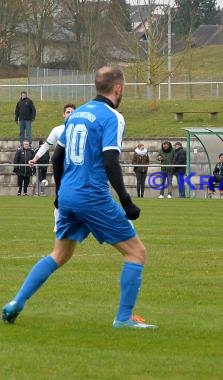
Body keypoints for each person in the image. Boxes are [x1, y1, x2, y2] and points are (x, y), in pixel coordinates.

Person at [2, 67, 157, 328]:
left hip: (69, 196)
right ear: (118, 88)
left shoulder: (75, 116)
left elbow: (57, 157)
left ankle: (15, 303)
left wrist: (61, 193)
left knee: (59, 255)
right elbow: (110, 160)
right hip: (92, 196)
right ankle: (124, 319)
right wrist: (126, 200)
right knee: (136, 253)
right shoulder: (112, 117)